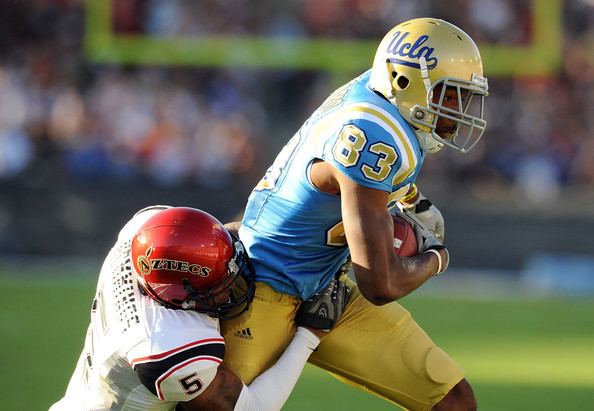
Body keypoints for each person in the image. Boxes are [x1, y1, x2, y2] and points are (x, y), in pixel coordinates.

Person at [220, 18, 489, 411]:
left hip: (328, 283)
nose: (458, 110)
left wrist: (413, 201)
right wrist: (436, 259)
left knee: (453, 402)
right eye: (449, 96)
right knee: (218, 407)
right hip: (267, 287)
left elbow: (370, 179)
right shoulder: (373, 132)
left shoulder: (384, 100)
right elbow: (380, 284)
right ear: (404, 82)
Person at [50, 205, 350, 411]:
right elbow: (252, 406)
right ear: (181, 297)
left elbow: (216, 235)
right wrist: (310, 335)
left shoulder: (147, 230)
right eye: (221, 287)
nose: (236, 286)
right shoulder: (167, 346)